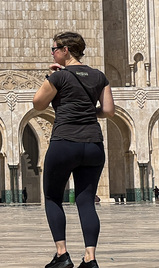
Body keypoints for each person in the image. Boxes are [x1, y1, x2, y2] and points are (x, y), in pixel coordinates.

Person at [33, 32, 115, 268]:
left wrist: (52, 77)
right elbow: (109, 110)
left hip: (64, 143)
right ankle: (90, 258)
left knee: (52, 197)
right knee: (86, 201)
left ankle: (62, 255)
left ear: (66, 50)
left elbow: (38, 103)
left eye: (54, 48)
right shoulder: (99, 76)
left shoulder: (60, 77)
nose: (53, 52)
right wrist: (90, 113)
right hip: (93, 145)